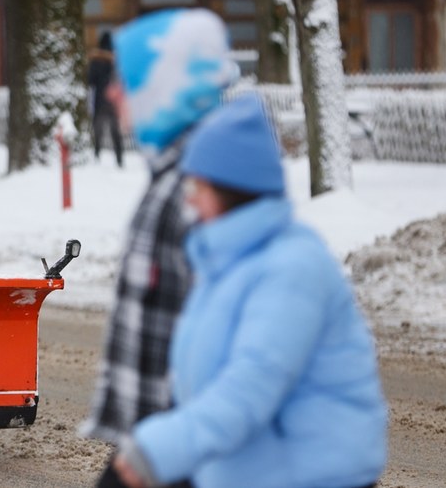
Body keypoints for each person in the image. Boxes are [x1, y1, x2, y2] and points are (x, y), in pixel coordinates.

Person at [109, 94, 388, 488]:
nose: (188, 197)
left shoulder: (292, 267)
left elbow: (249, 388)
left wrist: (160, 449)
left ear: (231, 190)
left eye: (198, 185)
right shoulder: (224, 262)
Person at [80, 8, 236, 488]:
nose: (112, 93)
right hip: (157, 442)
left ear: (165, 89)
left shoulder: (199, 191)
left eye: (127, 81)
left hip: (183, 449)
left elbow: (239, 345)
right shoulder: (174, 178)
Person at [88, 30, 124, 167]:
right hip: (113, 101)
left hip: (99, 100)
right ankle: (119, 159)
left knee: (98, 131)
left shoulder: (95, 60)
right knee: (116, 132)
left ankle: (96, 157)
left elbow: (90, 81)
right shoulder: (116, 60)